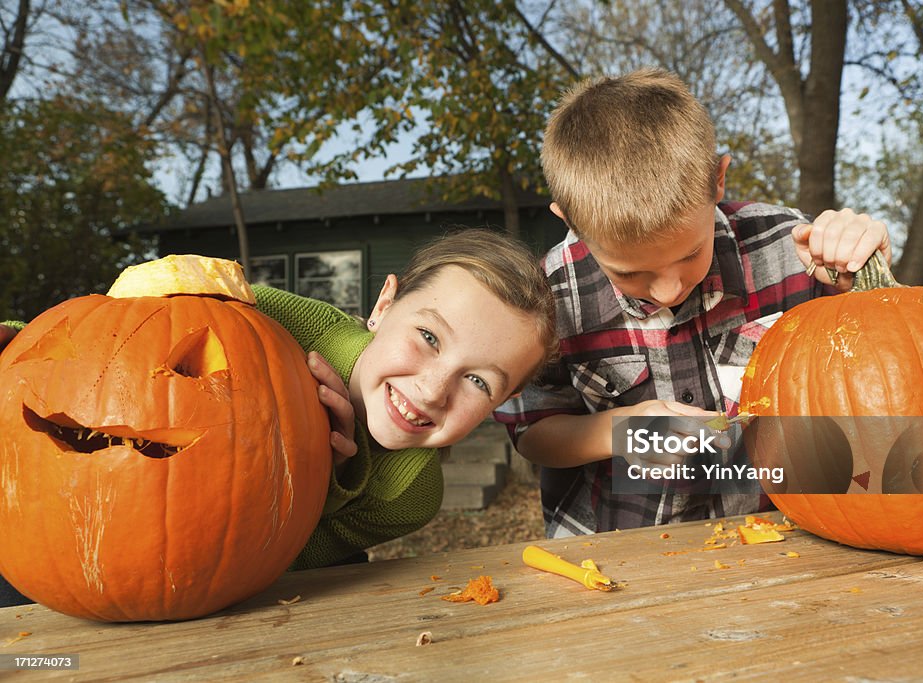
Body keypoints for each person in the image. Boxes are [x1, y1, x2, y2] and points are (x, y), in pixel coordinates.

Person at [0, 227, 558, 604]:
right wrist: (17, 344)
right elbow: (118, 344)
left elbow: (271, 567)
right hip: (83, 530)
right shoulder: (272, 320)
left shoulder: (411, 497)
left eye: (479, 381)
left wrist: (335, 478)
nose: (435, 390)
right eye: (429, 336)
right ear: (383, 306)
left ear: (501, 403)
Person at [494, 67, 892, 538]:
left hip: (772, 532)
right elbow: (533, 434)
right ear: (570, 219)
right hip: (615, 544)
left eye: (688, 256)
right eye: (629, 272)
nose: (667, 291)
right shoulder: (549, 294)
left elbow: (888, 370)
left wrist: (863, 278)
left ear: (718, 181)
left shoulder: (791, 250)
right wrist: (621, 431)